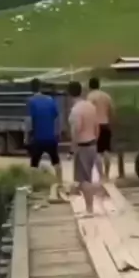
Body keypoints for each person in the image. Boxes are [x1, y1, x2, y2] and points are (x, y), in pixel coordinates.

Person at [25, 78, 64, 201]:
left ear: (31, 88)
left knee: (34, 163)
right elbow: (57, 117)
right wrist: (58, 133)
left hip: (38, 137)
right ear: (40, 88)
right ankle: (60, 183)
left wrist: (27, 137)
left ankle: (32, 187)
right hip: (51, 137)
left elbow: (29, 121)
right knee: (56, 161)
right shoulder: (50, 100)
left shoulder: (31, 101)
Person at [68, 80, 99, 216]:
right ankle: (89, 207)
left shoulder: (76, 110)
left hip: (83, 146)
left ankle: (89, 209)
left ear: (70, 94)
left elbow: (76, 130)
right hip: (92, 144)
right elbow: (97, 127)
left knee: (84, 180)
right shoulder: (91, 106)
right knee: (88, 177)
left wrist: (72, 149)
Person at [87, 76, 114, 180]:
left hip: (95, 126)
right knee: (106, 151)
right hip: (106, 124)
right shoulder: (106, 96)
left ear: (90, 86)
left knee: (97, 152)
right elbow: (112, 110)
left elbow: (88, 111)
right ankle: (107, 174)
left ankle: (101, 174)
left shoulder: (90, 97)